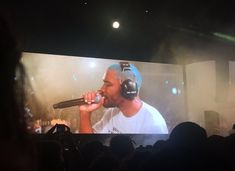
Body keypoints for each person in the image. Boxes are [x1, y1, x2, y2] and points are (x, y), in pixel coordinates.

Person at [79, 62, 168, 134]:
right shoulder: (111, 113)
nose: (102, 89)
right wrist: (85, 113)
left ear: (128, 88)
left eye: (108, 84)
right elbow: (89, 144)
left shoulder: (153, 123)